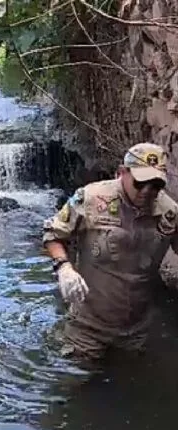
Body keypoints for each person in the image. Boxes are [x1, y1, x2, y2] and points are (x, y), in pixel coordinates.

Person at [42, 143, 178, 361]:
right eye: (140, 182)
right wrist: (63, 267)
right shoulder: (90, 198)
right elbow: (53, 233)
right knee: (75, 385)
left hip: (137, 329)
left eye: (155, 185)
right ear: (122, 172)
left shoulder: (169, 212)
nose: (146, 191)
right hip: (87, 327)